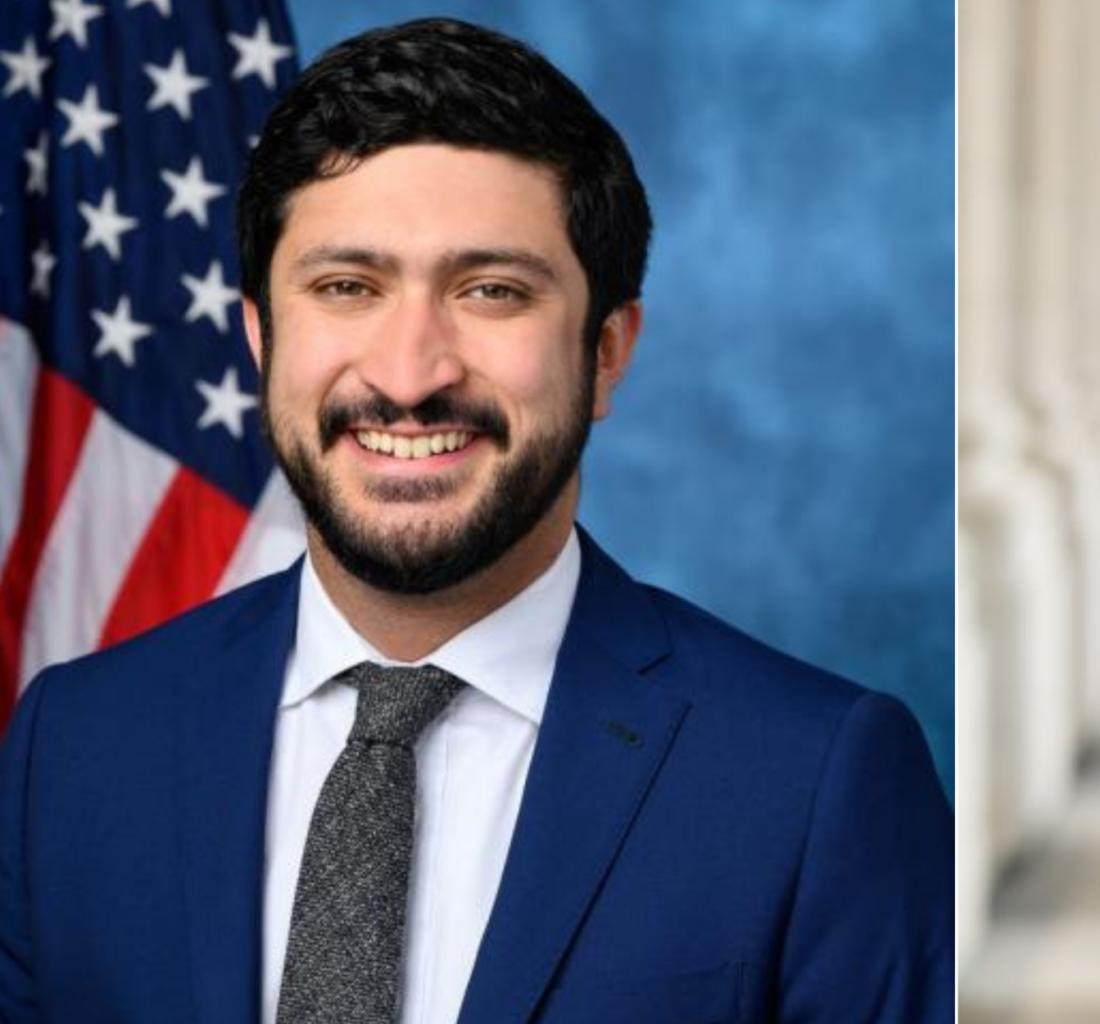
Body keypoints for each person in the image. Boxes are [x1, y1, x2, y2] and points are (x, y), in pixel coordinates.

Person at [0, 18, 952, 1024]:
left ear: (606, 352)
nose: (410, 374)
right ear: (260, 337)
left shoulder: (815, 778)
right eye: (347, 287)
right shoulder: (73, 746)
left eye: (491, 291)